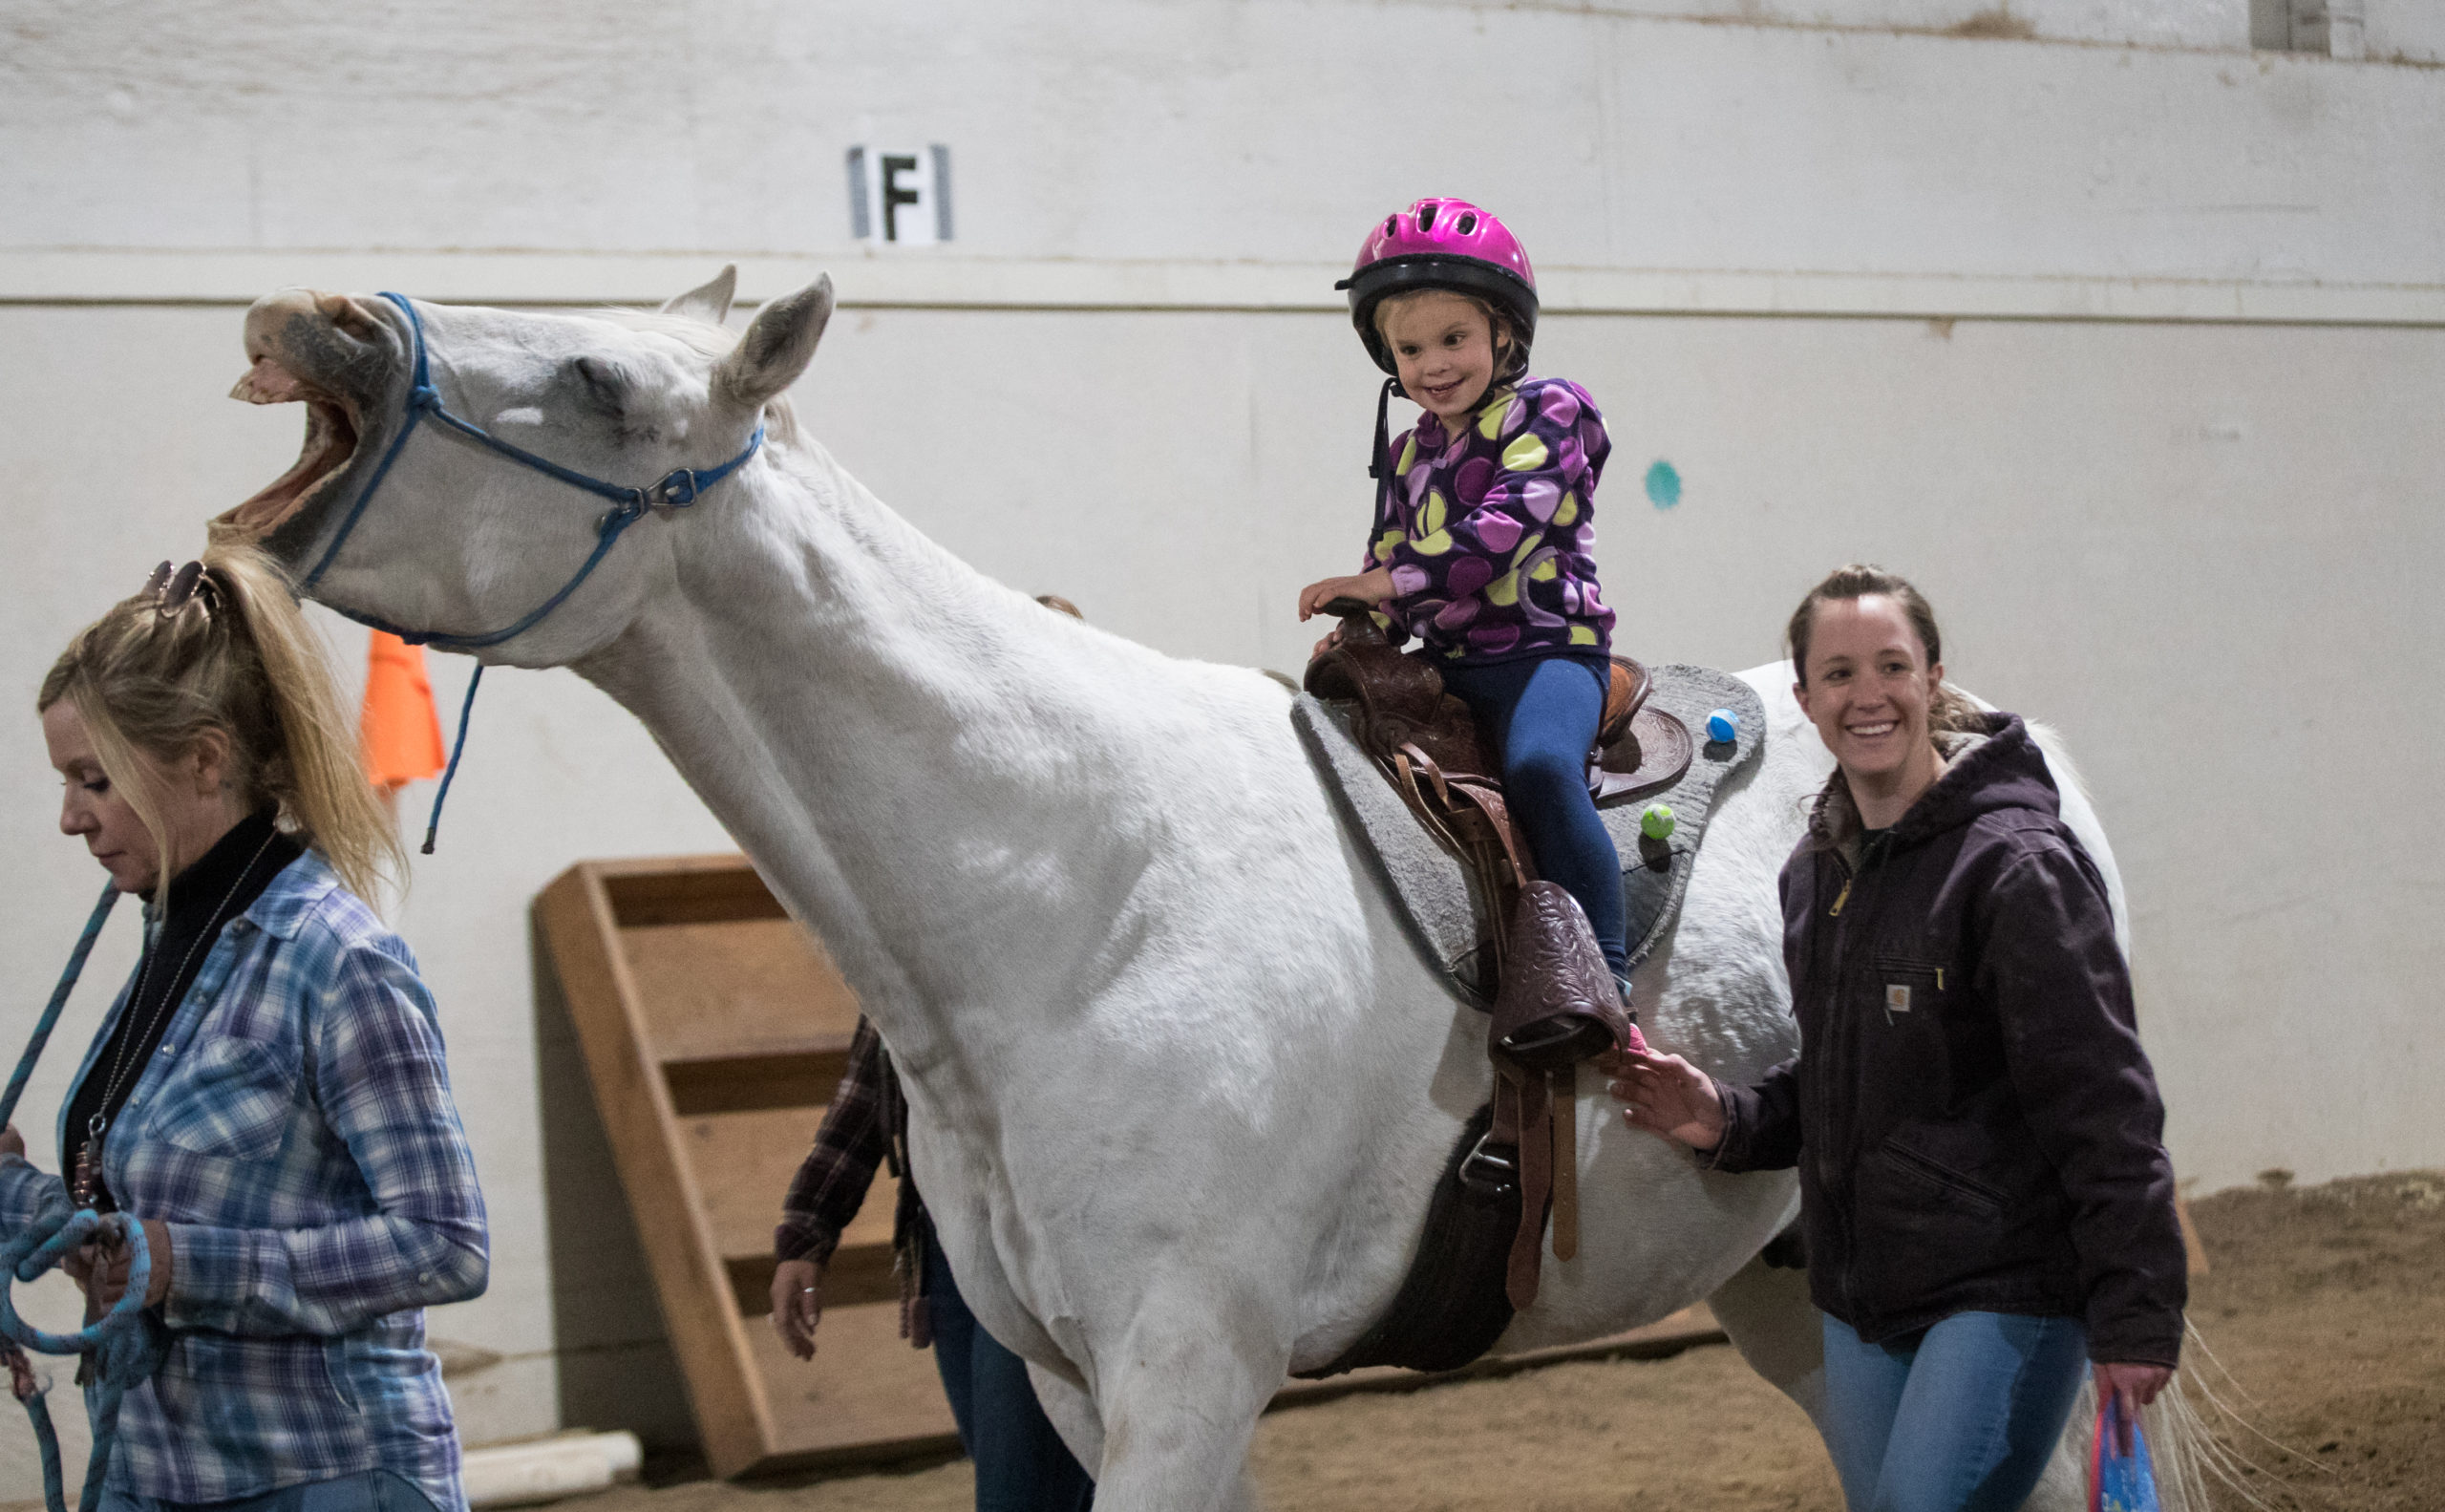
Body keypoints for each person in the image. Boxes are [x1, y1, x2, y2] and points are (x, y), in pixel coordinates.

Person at [1601, 564, 2187, 1512]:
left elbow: (2106, 1106)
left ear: (1931, 678)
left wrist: (2137, 1314)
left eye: (1889, 665)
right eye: (1836, 674)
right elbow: (1844, 1081)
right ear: (1802, 700)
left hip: (2003, 1291)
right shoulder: (1814, 877)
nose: (1865, 695)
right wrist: (1726, 1117)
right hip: (1862, 1299)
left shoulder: (2017, 872)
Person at [0, 550, 490, 1512]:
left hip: (327, 1474)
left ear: (206, 757)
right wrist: (21, 1199)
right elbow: (130, 1220)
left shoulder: (336, 958)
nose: (69, 818)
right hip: (163, 1470)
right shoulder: (172, 943)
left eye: (93, 779)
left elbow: (443, 1242)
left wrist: (185, 1263)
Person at [1296, 197, 1631, 997]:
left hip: (1545, 655)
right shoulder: (1410, 453)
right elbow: (1390, 559)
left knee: (1543, 765)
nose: (1433, 364)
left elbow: (1498, 533)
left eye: (1455, 338)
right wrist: (1362, 627)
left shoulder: (1555, 413)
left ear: (1504, 335)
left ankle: (1605, 971)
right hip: (1446, 665)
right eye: (1410, 347)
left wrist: (1381, 582)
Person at [772, 1016, 1094, 1512]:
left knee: (1019, 1492)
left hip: (1044, 1241)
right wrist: (808, 1228)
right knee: (1020, 1473)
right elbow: (873, 1074)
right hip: (945, 1236)